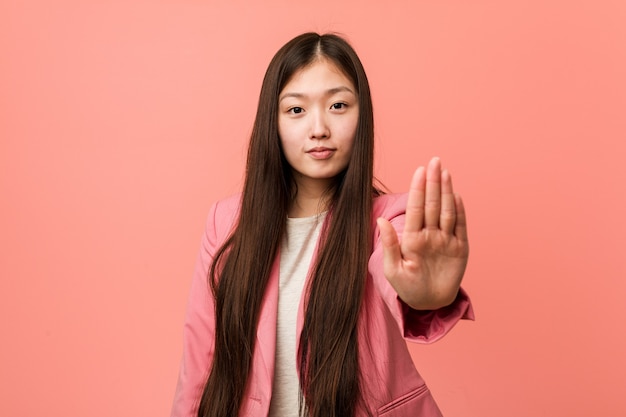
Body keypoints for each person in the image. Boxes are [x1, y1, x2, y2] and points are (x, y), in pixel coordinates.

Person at [170, 32, 473, 417]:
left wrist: (425, 296)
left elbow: (395, 267)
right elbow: (198, 362)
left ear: (363, 115)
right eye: (296, 110)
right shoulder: (225, 221)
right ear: (272, 122)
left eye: (339, 105)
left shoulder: (390, 218)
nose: (319, 129)